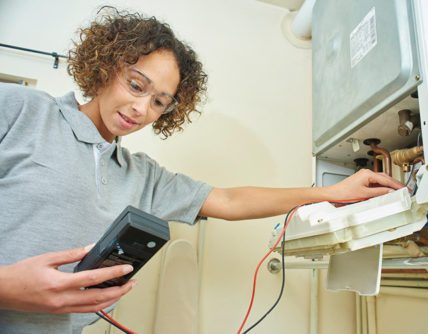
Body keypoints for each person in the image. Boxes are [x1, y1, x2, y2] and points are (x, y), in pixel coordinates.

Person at [0, 6, 403, 334]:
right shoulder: (20, 111)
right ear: (106, 66)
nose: (142, 110)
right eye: (136, 85)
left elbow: (227, 199)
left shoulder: (141, 176)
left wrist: (328, 193)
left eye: (160, 102)